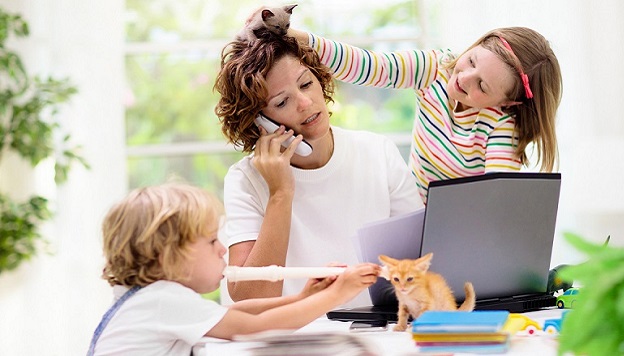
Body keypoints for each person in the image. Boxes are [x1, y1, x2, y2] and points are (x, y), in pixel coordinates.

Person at [213, 33, 423, 306]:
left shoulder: (377, 151)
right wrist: (280, 193)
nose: (305, 102)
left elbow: (422, 263)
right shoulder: (245, 180)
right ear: (258, 123)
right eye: (281, 102)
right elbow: (251, 298)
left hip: (375, 331)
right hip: (289, 337)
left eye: (306, 84)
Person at [88, 183, 381, 355]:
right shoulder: (162, 300)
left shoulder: (150, 299)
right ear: (168, 257)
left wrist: (305, 297)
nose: (221, 249)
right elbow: (255, 328)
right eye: (212, 240)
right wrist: (338, 295)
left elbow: (239, 314)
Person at [286, 26, 562, 202]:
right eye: (472, 61)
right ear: (476, 44)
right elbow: (372, 67)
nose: (464, 78)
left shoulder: (502, 125)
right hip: (408, 208)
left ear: (508, 102)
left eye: (482, 85)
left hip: (456, 227)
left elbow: (496, 198)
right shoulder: (436, 68)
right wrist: (306, 40)